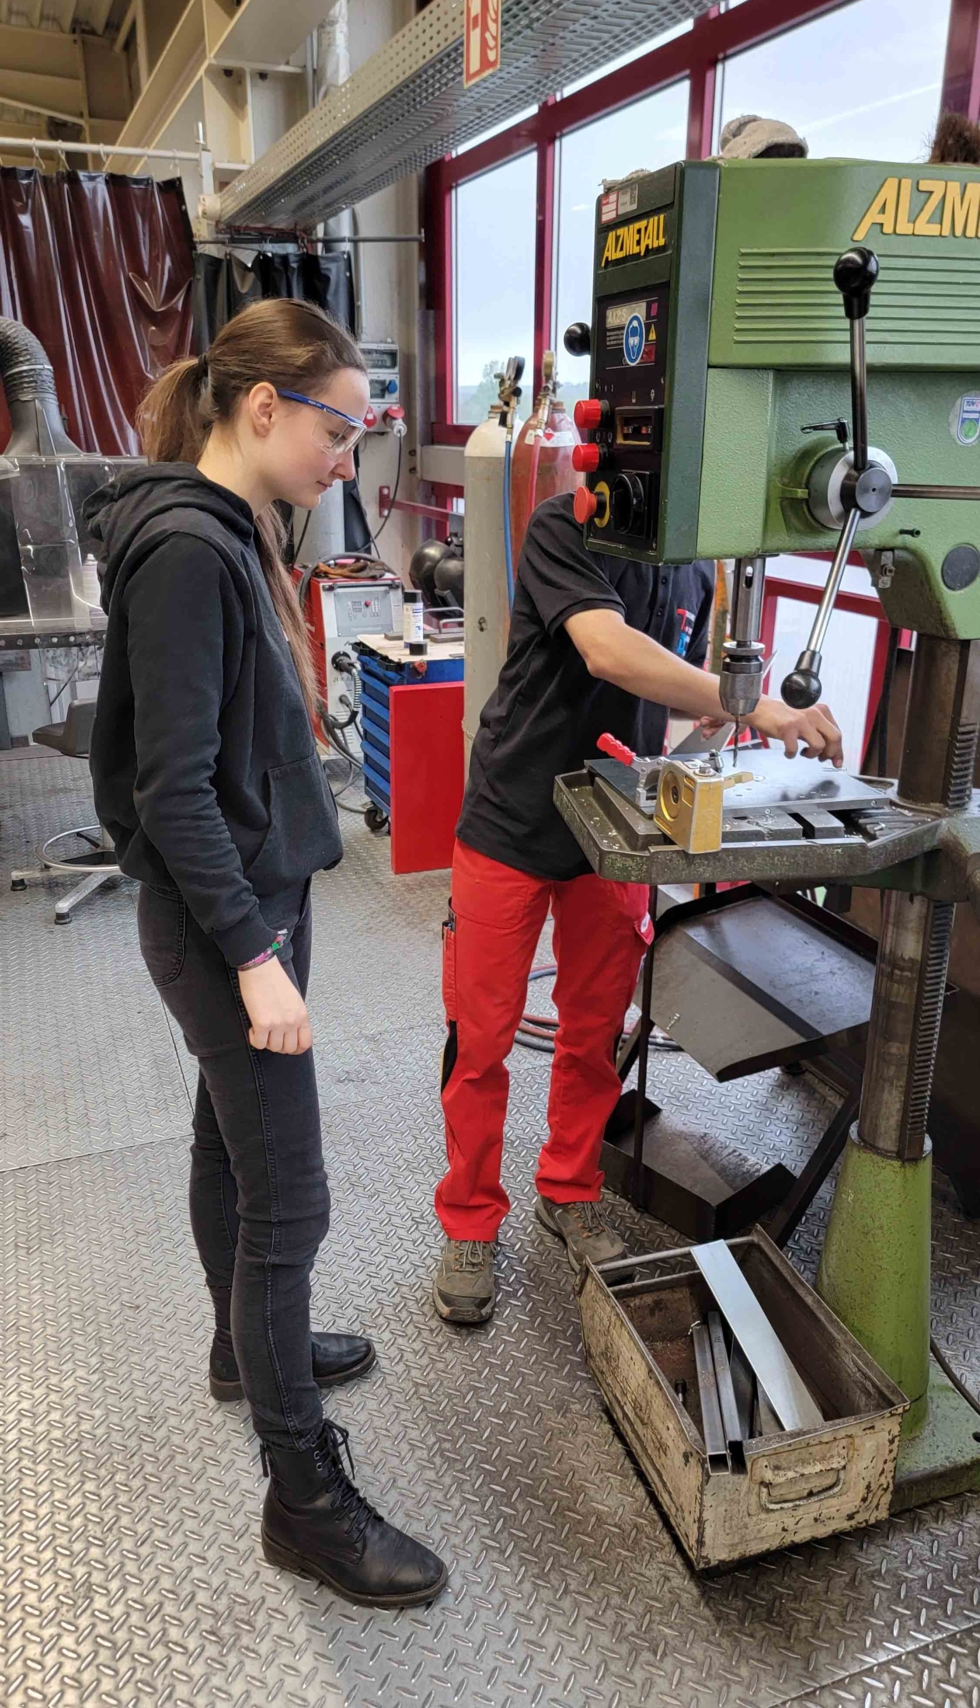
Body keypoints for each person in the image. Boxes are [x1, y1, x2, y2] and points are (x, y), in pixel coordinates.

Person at [88, 300, 447, 1609]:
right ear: (262, 409)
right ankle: (305, 1500)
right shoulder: (188, 547)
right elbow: (174, 788)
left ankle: (247, 1357)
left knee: (222, 1148)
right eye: (340, 425)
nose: (349, 455)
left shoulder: (236, 526)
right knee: (288, 1203)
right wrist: (253, 957)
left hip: (254, 890)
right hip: (222, 914)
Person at [432, 491, 843, 1325]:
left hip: (616, 828)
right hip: (510, 820)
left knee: (592, 1032)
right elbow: (608, 649)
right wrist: (747, 702)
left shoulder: (698, 557)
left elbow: (675, 700)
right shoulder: (563, 527)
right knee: (481, 1038)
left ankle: (569, 1186)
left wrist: (717, 750)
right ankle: (470, 1218)